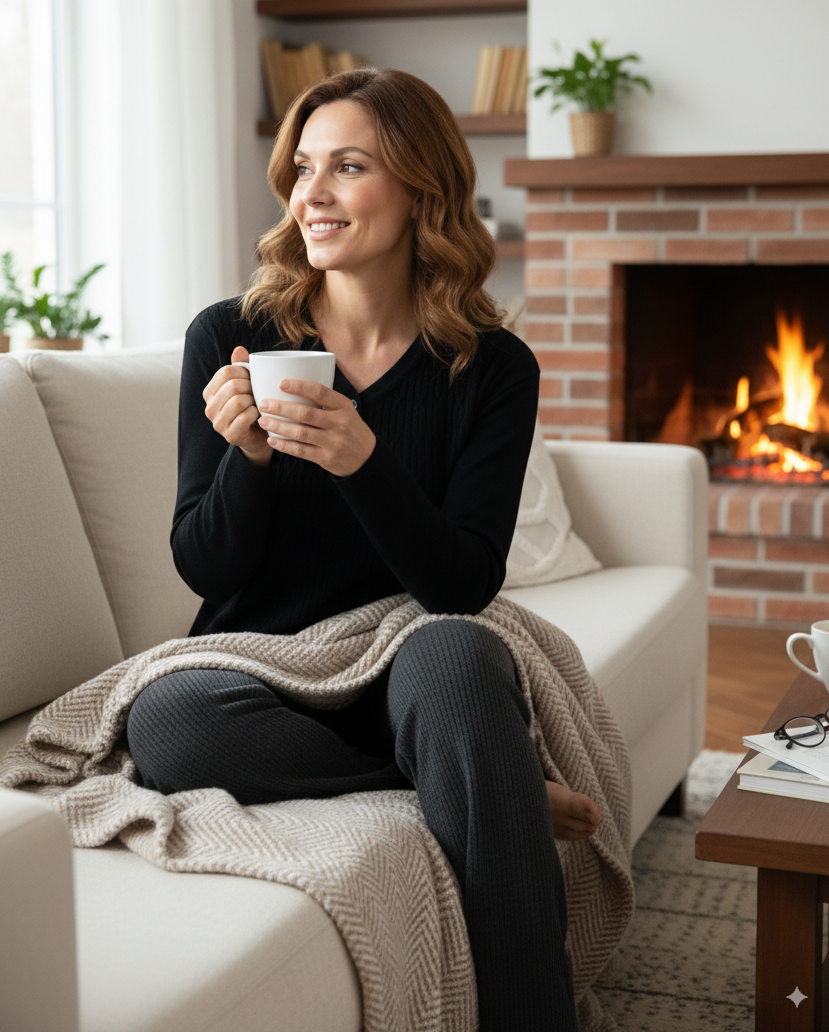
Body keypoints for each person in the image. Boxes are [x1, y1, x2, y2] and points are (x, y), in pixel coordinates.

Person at [126, 68, 600, 1032]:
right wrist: (247, 459)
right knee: (168, 723)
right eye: (303, 168)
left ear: (422, 188)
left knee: (465, 659)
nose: (313, 194)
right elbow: (206, 570)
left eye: (348, 166)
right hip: (263, 661)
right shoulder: (230, 335)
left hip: (409, 646)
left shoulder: (490, 365)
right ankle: (481, 776)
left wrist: (362, 459)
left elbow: (461, 582)